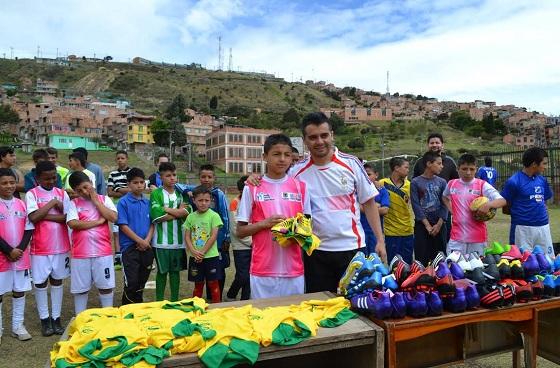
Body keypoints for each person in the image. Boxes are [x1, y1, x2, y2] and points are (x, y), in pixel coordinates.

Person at [248, 113, 385, 294]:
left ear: (332, 135)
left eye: (324, 135)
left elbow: (368, 202)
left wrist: (380, 240)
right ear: (305, 141)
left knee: (354, 307)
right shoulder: (296, 171)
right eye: (313, 137)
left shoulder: (350, 163)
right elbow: (275, 182)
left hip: (351, 248)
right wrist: (254, 178)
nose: (319, 141)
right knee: (319, 308)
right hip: (315, 252)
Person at [237, 134, 310, 298]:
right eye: (276, 154)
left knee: (292, 319)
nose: (282, 159)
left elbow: (307, 229)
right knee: (263, 320)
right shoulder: (252, 187)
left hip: (294, 271)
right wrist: (265, 224)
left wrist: (293, 232)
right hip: (262, 271)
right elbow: (240, 231)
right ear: (265, 157)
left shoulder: (301, 187)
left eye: (287, 154)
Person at [25, 161, 70, 336]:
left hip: (60, 247)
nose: (51, 181)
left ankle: (56, 318)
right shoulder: (32, 194)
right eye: (46, 178)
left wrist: (46, 215)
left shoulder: (62, 193)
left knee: (57, 281)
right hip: (40, 247)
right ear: (37, 179)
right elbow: (34, 217)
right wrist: (52, 204)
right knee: (40, 282)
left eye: (54, 178)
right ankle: (45, 320)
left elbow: (67, 218)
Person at [66, 171, 118, 315]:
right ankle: (80, 319)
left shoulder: (104, 199)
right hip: (81, 254)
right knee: (80, 289)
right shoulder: (73, 203)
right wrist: (98, 222)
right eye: (79, 190)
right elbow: (73, 224)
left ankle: (108, 317)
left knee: (106, 287)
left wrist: (96, 201)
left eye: (85, 187)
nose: (84, 192)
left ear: (91, 183)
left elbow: (113, 217)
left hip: (103, 253)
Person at [176, 164, 230, 298]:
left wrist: (226, 237)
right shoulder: (195, 194)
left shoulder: (218, 194)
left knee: (217, 275)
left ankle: (215, 300)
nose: (206, 179)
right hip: (197, 250)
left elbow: (225, 216)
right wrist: (186, 192)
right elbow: (178, 185)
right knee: (199, 282)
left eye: (209, 177)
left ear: (214, 178)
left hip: (216, 242)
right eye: (203, 177)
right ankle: (204, 300)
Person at [442, 154, 506, 256]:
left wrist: (488, 205)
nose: (468, 172)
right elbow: (444, 197)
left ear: (476, 169)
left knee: (476, 269)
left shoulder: (482, 185)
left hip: (477, 238)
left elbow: (502, 200)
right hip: (456, 237)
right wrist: (451, 210)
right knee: (455, 268)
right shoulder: (451, 184)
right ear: (457, 169)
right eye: (464, 169)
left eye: (472, 169)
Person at [0, 168, 33, 342]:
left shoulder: (21, 204)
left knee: (20, 290)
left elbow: (28, 228)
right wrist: (8, 250)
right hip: (2, 258)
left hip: (20, 257)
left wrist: (19, 249)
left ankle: (17, 326)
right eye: (4, 183)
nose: (9, 186)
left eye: (12, 182)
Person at [501, 147, 554, 256]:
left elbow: (543, 201)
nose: (546, 166)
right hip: (522, 229)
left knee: (548, 262)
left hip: (543, 227)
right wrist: (522, 215)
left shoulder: (542, 180)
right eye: (544, 163)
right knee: (523, 263)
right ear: (534, 164)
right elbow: (505, 206)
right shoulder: (514, 181)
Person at [149, 162, 190, 302]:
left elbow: (187, 212)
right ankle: (159, 301)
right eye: (168, 175)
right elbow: (157, 216)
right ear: (161, 177)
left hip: (179, 242)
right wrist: (178, 212)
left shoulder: (181, 193)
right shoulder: (156, 193)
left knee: (175, 272)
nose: (172, 178)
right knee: (161, 272)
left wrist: (166, 209)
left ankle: (174, 300)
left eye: (174, 175)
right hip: (161, 242)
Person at [116, 168, 154, 304]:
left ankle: (138, 310)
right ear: (129, 184)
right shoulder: (123, 202)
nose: (139, 185)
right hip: (130, 248)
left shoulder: (148, 202)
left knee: (141, 283)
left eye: (141, 182)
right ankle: (127, 310)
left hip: (147, 247)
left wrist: (147, 241)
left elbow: (152, 223)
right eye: (135, 182)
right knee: (131, 282)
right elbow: (123, 225)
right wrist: (139, 241)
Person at [184, 185, 223, 303]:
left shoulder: (214, 216)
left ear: (210, 201)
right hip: (195, 258)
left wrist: (202, 252)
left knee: (213, 283)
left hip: (211, 257)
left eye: (206, 200)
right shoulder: (190, 217)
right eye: (200, 200)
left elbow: (213, 236)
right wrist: (194, 252)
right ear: (194, 200)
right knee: (198, 284)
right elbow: (187, 237)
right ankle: (197, 306)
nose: (203, 203)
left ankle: (217, 307)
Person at [410, 152, 448, 265]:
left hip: (439, 225)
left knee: (440, 258)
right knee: (421, 258)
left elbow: (445, 203)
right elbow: (416, 205)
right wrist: (427, 225)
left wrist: (439, 224)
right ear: (429, 164)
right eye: (439, 163)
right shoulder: (415, 182)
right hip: (422, 225)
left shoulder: (442, 182)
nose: (442, 166)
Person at [379, 157, 414, 264]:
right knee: (393, 264)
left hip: (407, 230)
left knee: (407, 264)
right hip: (391, 232)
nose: (408, 170)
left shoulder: (410, 185)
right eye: (406, 167)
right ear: (397, 168)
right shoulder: (382, 183)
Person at [225, 175, 252, 301]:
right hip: (241, 246)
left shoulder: (256, 201)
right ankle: (231, 294)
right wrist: (252, 242)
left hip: (254, 245)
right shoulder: (235, 203)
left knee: (250, 276)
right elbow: (236, 229)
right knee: (242, 276)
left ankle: (245, 300)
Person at [107, 150, 132, 269]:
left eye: (122, 158)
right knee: (116, 231)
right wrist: (124, 191)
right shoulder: (112, 174)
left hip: (131, 204)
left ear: (127, 159)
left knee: (132, 229)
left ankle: (134, 255)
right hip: (117, 206)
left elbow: (135, 189)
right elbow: (109, 192)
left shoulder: (133, 173)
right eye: (118, 158)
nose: (120, 160)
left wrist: (118, 188)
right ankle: (118, 257)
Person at [360, 163, 389, 256]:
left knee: (374, 259)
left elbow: (385, 210)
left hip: (375, 233)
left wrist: (366, 207)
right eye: (363, 174)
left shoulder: (382, 190)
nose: (365, 177)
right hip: (360, 231)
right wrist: (375, 206)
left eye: (368, 174)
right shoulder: (357, 190)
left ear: (376, 175)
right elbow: (357, 208)